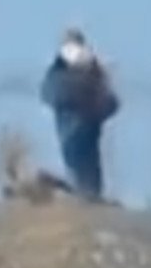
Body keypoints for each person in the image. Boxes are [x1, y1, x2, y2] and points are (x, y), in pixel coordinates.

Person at [39, 27, 120, 203]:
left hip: (78, 132)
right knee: (86, 177)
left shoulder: (85, 70)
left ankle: (85, 202)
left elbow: (111, 103)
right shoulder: (85, 70)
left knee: (84, 175)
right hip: (81, 131)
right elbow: (111, 103)